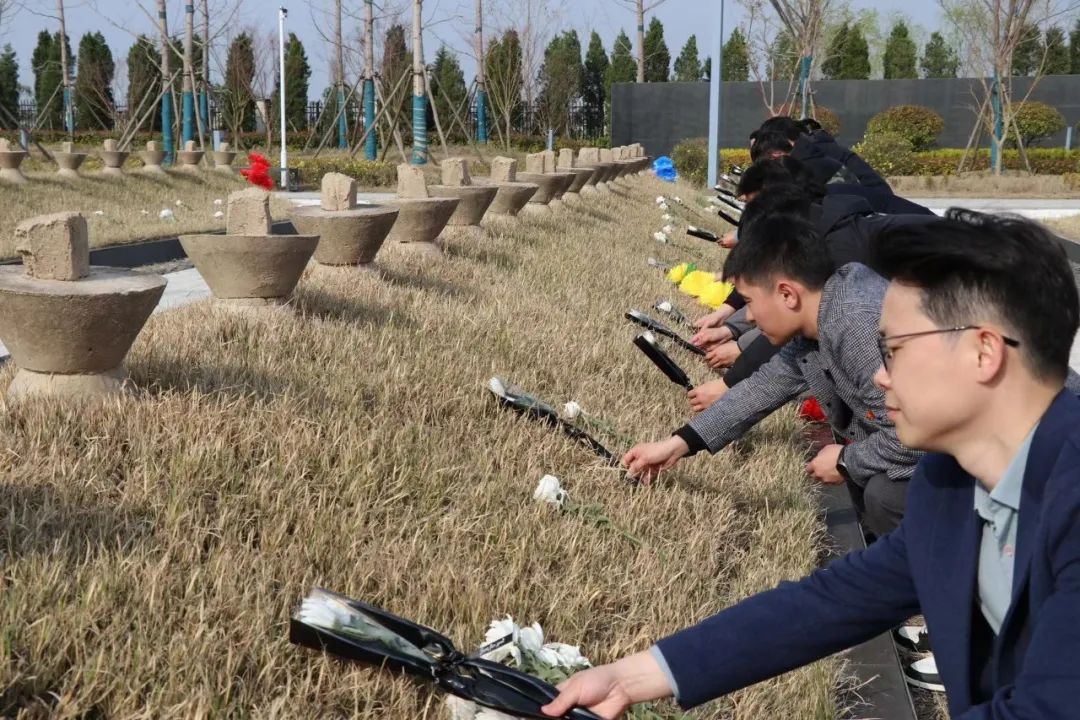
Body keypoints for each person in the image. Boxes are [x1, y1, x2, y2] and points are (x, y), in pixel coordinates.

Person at [543, 210, 1080, 720]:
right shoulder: (951, 482)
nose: (883, 377)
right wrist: (632, 677)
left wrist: (849, 457)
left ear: (984, 353)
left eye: (893, 349)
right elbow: (836, 600)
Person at [635, 209, 922, 537]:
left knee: (885, 493)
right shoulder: (823, 312)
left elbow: (915, 439)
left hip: (962, 464)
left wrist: (846, 461)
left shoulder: (854, 324)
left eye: (750, 302)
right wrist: (677, 444)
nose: (751, 318)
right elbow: (762, 388)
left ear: (787, 294)